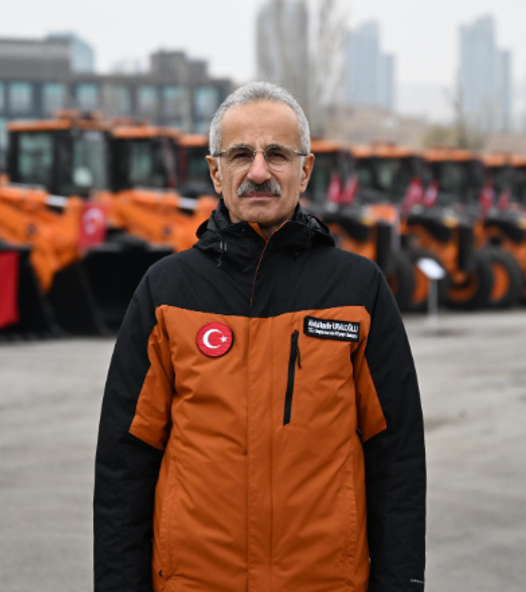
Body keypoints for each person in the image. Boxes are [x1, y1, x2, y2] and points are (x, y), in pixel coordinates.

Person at [94, 82, 426, 592]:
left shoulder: (358, 290)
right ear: (215, 172)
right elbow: (125, 461)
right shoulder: (166, 291)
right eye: (240, 155)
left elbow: (396, 457)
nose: (258, 172)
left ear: (305, 170)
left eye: (277, 154)